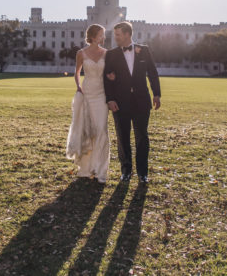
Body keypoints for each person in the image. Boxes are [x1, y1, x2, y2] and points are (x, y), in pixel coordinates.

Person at [103, 21, 161, 184]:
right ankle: (126, 171)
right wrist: (110, 99)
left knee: (142, 137)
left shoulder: (144, 50)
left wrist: (156, 94)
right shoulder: (111, 54)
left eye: (118, 34)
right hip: (120, 103)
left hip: (142, 101)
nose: (115, 38)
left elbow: (153, 73)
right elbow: (106, 79)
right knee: (123, 138)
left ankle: (143, 173)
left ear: (128, 34)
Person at [66, 24, 110, 183]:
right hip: (87, 93)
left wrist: (111, 77)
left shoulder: (107, 53)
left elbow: (110, 73)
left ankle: (100, 170)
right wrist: (78, 86)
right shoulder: (81, 53)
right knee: (87, 130)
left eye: (103, 34)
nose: (103, 37)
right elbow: (76, 73)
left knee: (101, 130)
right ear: (93, 35)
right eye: (101, 34)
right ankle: (86, 168)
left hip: (102, 95)